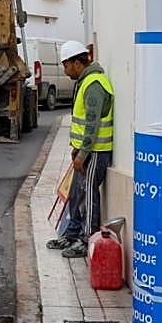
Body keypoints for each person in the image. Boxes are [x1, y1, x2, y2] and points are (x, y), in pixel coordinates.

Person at [47, 40, 114, 259]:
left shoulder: (94, 83)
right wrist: (77, 150)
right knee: (76, 193)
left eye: (66, 65)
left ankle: (86, 239)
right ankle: (72, 233)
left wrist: (83, 153)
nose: (65, 71)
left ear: (77, 62)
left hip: (96, 151)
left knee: (88, 192)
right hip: (85, 150)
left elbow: (92, 124)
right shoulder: (85, 81)